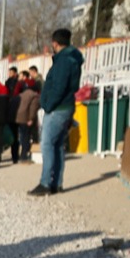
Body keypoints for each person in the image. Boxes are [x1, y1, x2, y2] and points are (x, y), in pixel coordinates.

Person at [28, 29, 84, 196]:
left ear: (55, 43)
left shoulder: (63, 61)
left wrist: (48, 105)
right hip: (66, 107)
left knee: (47, 144)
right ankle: (56, 183)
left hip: (58, 108)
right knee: (58, 145)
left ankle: (46, 183)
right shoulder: (73, 59)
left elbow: (59, 87)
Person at [14, 77, 40, 165]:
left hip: (18, 117)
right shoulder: (34, 96)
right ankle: (24, 156)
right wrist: (31, 118)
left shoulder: (22, 94)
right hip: (26, 118)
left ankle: (20, 155)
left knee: (21, 136)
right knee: (26, 137)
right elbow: (33, 108)